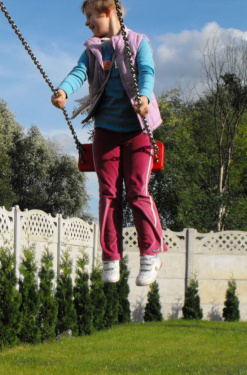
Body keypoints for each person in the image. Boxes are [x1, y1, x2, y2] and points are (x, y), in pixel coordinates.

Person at [51, 0, 168, 286]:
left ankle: (150, 255)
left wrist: (144, 97)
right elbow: (79, 73)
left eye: (91, 15)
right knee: (108, 195)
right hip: (106, 130)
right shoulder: (93, 49)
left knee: (137, 191)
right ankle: (111, 258)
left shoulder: (138, 42)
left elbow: (146, 72)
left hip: (138, 130)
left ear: (108, 10)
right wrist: (63, 91)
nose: (87, 22)